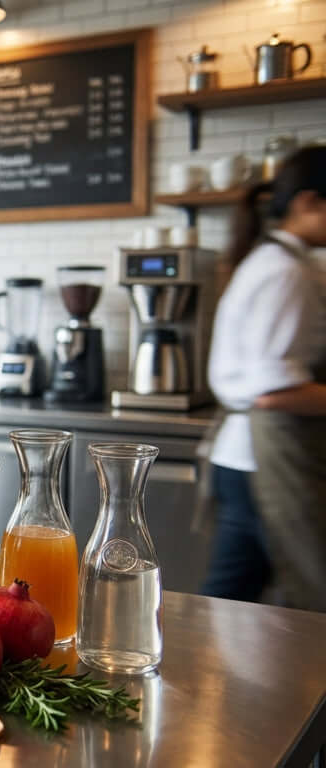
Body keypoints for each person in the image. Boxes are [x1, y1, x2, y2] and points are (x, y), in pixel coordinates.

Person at [202, 146, 326, 611]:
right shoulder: (284, 272)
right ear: (308, 202)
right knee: (291, 596)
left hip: (251, 455)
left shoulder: (281, 264)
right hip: (264, 455)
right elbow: (275, 392)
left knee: (235, 598)